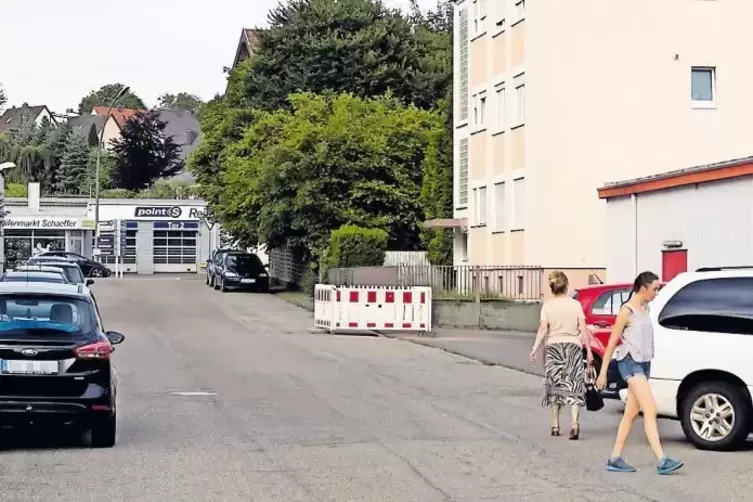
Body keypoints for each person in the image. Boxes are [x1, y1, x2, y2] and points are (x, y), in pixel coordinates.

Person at [596, 271, 683, 475]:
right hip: (630, 364)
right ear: (643, 288)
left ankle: (615, 458)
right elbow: (611, 344)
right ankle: (662, 460)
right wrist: (602, 374)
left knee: (631, 413)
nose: (657, 293)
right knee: (650, 409)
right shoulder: (627, 311)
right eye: (654, 289)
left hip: (644, 364)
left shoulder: (645, 308)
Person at [529, 271, 593, 440]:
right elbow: (583, 329)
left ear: (552, 288)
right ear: (566, 286)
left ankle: (555, 425)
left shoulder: (548, 306)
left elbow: (543, 328)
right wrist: (590, 351)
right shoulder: (575, 305)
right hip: (573, 346)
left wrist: (535, 347)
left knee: (555, 384)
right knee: (573, 384)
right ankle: (574, 423)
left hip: (553, 348)